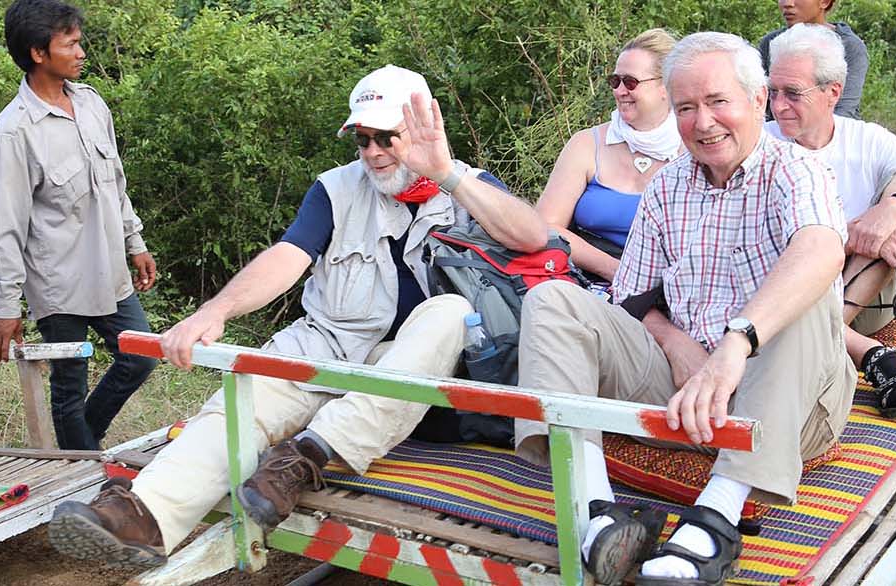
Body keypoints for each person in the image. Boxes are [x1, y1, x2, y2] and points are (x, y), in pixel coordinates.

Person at [46, 64, 549, 570]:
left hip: (418, 377)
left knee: (451, 313)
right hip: (332, 345)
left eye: (385, 138)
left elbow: (531, 237)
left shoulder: (464, 184)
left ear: (418, 130)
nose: (372, 152)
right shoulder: (336, 188)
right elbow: (288, 256)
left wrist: (446, 173)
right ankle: (146, 514)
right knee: (244, 398)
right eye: (361, 139)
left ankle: (309, 455)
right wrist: (215, 309)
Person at [514, 32, 854, 586]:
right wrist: (674, 343)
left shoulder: (796, 170)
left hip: (789, 401)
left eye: (718, 102)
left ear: (759, 100)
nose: (703, 122)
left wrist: (734, 347)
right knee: (552, 299)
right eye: (687, 108)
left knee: (803, 291)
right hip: (684, 393)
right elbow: (631, 294)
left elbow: (820, 248)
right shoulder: (669, 185)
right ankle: (595, 513)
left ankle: (715, 519)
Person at [764, 24, 896, 418]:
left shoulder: (868, 140)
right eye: (773, 92)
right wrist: (857, 235)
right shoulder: (759, 144)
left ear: (833, 93)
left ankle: (827, 337)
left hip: (855, 299)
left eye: (793, 93)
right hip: (779, 289)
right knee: (881, 229)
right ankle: (874, 357)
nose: (778, 105)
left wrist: (894, 210)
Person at [0, 0, 158, 451]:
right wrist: (6, 306)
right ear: (39, 53)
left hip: (109, 270)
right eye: (72, 44)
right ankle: (83, 468)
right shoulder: (14, 131)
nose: (82, 53)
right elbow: (7, 226)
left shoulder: (93, 104)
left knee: (140, 356)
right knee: (69, 385)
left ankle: (81, 444)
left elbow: (114, 183)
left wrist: (134, 241)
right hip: (58, 279)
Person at [535, 29, 680, 284]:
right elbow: (546, 225)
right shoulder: (587, 144)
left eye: (631, 82)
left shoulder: (694, 148)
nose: (620, 91)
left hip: (672, 286)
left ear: (666, 86)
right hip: (590, 280)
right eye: (615, 81)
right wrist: (613, 269)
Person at [757, 0, 869, 119]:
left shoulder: (849, 46)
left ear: (825, 2)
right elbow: (759, 102)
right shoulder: (772, 43)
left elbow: (845, 110)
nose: (787, 3)